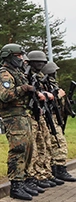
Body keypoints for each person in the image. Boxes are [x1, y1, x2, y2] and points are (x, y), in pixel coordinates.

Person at [0, 44, 45, 202]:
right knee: (19, 148)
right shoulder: (4, 74)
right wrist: (23, 88)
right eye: (18, 56)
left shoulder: (18, 73)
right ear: (8, 56)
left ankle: (24, 179)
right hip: (12, 115)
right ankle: (16, 184)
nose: (22, 58)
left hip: (23, 114)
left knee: (28, 147)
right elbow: (5, 95)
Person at [25, 50, 65, 189]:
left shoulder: (38, 78)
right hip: (30, 115)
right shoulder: (26, 76)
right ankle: (36, 175)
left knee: (45, 145)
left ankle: (44, 173)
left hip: (40, 114)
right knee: (35, 148)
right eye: (38, 62)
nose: (41, 65)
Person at [42, 61, 76, 183]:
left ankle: (57, 169)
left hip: (55, 118)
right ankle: (58, 169)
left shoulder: (51, 84)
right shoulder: (43, 85)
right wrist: (58, 96)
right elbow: (46, 101)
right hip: (49, 118)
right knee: (58, 143)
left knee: (57, 143)